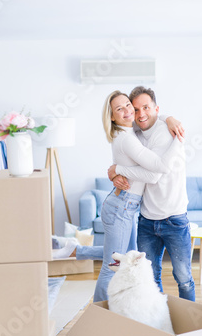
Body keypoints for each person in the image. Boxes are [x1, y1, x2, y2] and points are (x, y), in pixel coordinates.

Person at [73, 90, 182, 302]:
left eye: (127, 105)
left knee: (130, 260)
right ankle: (100, 319)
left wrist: (169, 118)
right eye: (119, 108)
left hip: (126, 207)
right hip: (121, 207)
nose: (127, 111)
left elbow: (149, 115)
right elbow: (157, 170)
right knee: (111, 266)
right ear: (112, 116)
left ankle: (129, 312)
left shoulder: (131, 131)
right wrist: (179, 140)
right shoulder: (126, 138)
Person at [109, 86, 195, 302]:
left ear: (156, 108)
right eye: (135, 109)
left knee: (183, 278)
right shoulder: (136, 131)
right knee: (150, 278)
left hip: (174, 218)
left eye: (146, 108)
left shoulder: (166, 132)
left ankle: (190, 329)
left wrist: (118, 169)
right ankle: (157, 326)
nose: (140, 114)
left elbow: (154, 174)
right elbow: (127, 149)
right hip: (147, 220)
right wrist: (114, 172)